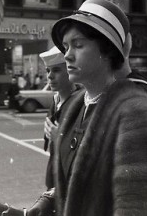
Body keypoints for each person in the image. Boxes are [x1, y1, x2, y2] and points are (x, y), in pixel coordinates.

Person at [33, 0, 147, 215]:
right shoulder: (77, 105)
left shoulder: (136, 114)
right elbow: (77, 180)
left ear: (107, 51)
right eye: (66, 46)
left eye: (78, 45)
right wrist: (51, 198)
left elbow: (140, 208)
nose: (67, 55)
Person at [39, 46, 83, 190]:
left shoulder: (82, 104)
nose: (50, 76)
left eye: (56, 70)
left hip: (70, 184)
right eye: (48, 71)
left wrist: (60, 139)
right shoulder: (56, 100)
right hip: (54, 178)